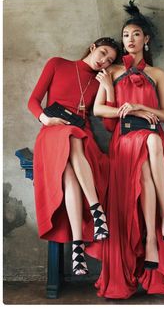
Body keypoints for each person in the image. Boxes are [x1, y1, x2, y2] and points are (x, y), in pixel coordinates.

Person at [93, 2, 164, 298]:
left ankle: (155, 243)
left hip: (151, 139)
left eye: (136, 34)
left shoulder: (158, 74)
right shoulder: (112, 70)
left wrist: (142, 107)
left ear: (147, 40)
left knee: (153, 143)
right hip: (124, 141)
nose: (130, 39)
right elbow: (98, 109)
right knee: (150, 143)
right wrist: (124, 110)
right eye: (126, 34)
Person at [28, 37, 120, 275]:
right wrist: (45, 119)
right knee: (71, 135)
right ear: (92, 48)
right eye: (102, 53)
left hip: (82, 135)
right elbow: (33, 101)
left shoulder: (99, 79)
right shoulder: (58, 64)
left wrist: (108, 87)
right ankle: (97, 211)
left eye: (109, 60)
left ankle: (77, 247)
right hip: (52, 131)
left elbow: (109, 124)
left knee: (70, 170)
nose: (103, 61)